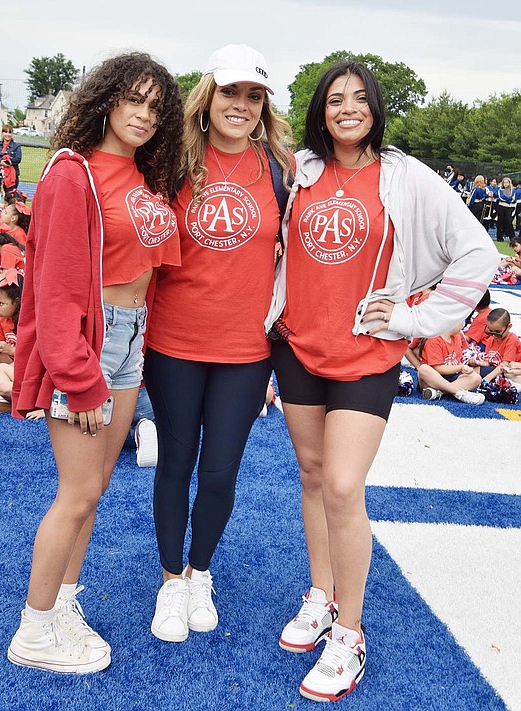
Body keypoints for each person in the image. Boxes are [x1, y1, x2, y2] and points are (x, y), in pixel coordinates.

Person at [264, 61, 499, 703]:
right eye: (335, 99)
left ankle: (350, 632)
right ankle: (320, 593)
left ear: (375, 109)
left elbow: (479, 253)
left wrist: (413, 318)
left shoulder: (405, 175)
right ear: (321, 109)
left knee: (343, 485)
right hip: (297, 348)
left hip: (367, 354)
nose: (347, 108)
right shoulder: (302, 171)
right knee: (312, 476)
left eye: (359, 99)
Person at [8, 52, 183, 674]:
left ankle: (63, 604)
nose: (143, 115)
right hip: (90, 341)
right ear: (106, 99)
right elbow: (53, 288)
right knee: (77, 492)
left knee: (97, 489)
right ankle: (33, 630)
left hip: (131, 340)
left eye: (156, 107)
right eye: (133, 100)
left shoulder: (144, 178)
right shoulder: (70, 172)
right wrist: (79, 377)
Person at [144, 43, 293, 644]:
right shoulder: (173, 160)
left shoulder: (281, 169)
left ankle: (200, 571)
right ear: (209, 97)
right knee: (175, 463)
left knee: (222, 473)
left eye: (253, 95)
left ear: (263, 106)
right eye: (231, 92)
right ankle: (170, 579)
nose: (241, 104)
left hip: (245, 351)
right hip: (174, 341)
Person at [418, 323, 485, 404]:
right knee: (423, 368)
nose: (463, 325)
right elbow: (438, 368)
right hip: (433, 378)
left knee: (476, 377)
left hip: (452, 376)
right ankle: (458, 392)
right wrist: (460, 367)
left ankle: (439, 393)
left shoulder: (458, 336)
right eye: (461, 322)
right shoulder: (434, 339)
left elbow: (463, 355)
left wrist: (470, 366)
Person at [0, 125, 22, 202]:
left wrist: (6, 162)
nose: (7, 134)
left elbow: (17, 159)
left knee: (10, 197)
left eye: (9, 132)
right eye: (5, 132)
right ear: (2, 133)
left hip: (11, 176)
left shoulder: (16, 146)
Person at [495, 176, 516, 242]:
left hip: (508, 208)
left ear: (509, 183)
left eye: (507, 182)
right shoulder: (500, 190)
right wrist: (507, 198)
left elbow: (513, 199)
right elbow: (501, 197)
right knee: (500, 222)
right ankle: (499, 238)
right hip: (501, 207)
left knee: (509, 222)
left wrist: (507, 199)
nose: (505, 184)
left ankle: (512, 238)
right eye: (504, 182)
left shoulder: (513, 190)